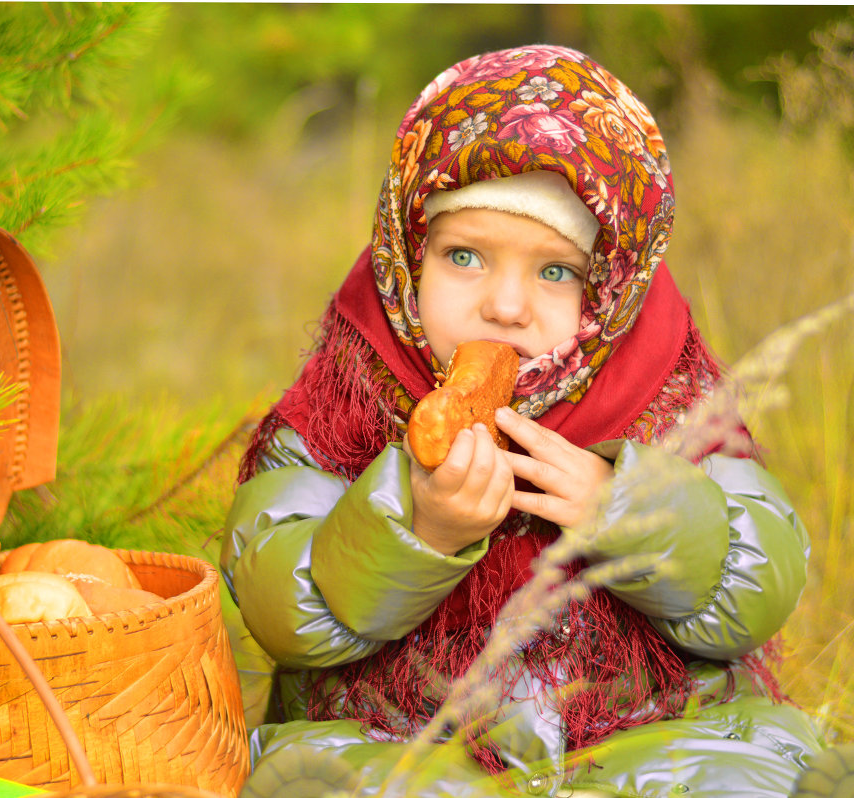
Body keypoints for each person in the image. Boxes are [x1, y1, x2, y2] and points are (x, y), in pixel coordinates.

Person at [221, 44, 827, 797]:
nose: (505, 306)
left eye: (554, 271)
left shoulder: (659, 390)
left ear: (612, 287)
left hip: (637, 735)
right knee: (304, 781)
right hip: (404, 740)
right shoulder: (354, 386)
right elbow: (279, 600)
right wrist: (413, 527)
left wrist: (629, 513)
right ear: (407, 255)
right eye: (465, 257)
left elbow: (758, 584)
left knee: (776, 768)